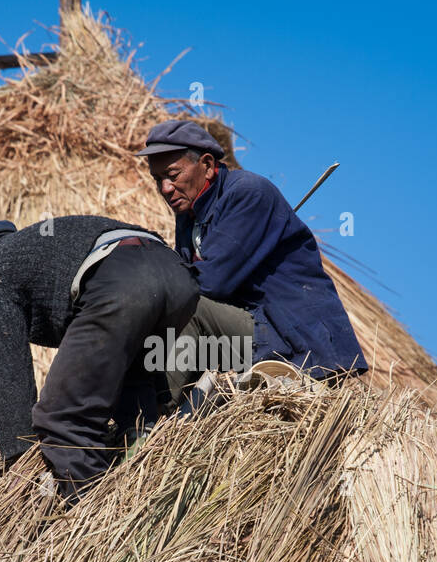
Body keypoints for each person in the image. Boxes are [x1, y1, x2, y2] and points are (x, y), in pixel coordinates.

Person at [0, 216, 199, 503]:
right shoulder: (48, 249)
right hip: (176, 277)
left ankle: (95, 520)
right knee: (134, 411)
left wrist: (20, 459)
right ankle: (147, 486)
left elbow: (5, 370)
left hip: (122, 282)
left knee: (62, 418)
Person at [138, 120, 368, 402]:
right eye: (157, 179)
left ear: (207, 165)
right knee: (153, 334)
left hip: (291, 337)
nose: (165, 188)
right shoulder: (187, 217)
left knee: (190, 309)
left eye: (172, 175)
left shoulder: (247, 193)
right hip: (252, 332)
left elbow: (208, 283)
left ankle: (150, 418)